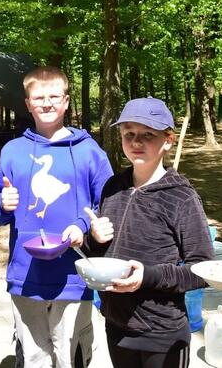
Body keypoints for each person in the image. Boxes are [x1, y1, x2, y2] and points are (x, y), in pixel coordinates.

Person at [0, 66, 113, 368]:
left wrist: (83, 227)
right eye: (39, 98)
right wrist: (3, 205)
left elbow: (110, 205)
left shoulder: (89, 151)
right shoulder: (13, 151)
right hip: (25, 275)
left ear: (66, 101)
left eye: (54, 97)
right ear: (28, 103)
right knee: (33, 357)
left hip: (74, 274)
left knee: (70, 354)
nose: (47, 103)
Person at [83, 96, 213, 368]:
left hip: (161, 331)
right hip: (116, 324)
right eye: (128, 133)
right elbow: (100, 252)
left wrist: (148, 277)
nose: (136, 142)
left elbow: (203, 270)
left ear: (168, 140)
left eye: (148, 135)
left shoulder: (181, 197)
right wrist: (92, 239)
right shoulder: (113, 187)